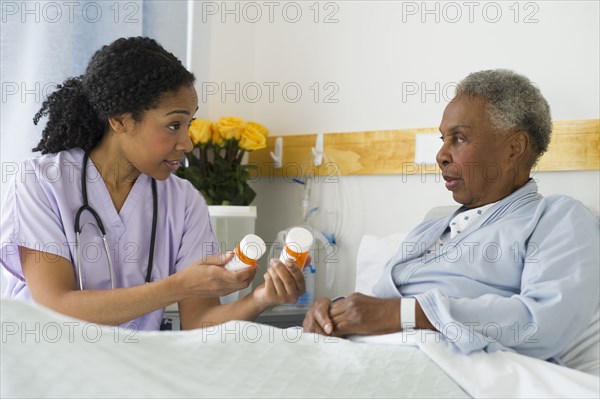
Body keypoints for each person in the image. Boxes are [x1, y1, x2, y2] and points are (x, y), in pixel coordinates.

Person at [303, 69, 599, 374]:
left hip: (443, 367)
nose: (441, 155)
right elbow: (378, 305)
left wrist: (410, 313)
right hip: (364, 355)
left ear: (514, 148)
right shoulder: (429, 229)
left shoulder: (558, 218)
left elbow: (543, 322)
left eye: (459, 138)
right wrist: (335, 313)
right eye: (443, 139)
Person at [0, 37, 305, 331]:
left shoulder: (183, 201)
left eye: (189, 125)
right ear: (119, 120)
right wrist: (175, 286)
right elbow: (55, 305)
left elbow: (199, 322)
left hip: (133, 371)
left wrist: (262, 298)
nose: (186, 143)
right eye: (174, 125)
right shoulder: (42, 183)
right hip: (44, 369)